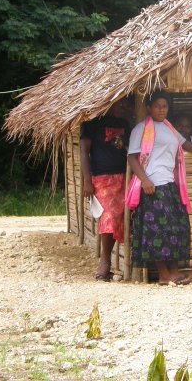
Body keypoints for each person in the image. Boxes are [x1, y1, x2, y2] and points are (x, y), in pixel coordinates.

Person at [127, 90, 192, 286]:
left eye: (165, 106)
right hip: (153, 185)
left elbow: (185, 143)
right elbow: (132, 157)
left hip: (169, 184)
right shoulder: (141, 129)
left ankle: (174, 271)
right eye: (157, 106)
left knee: (175, 228)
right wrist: (145, 180)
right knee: (158, 231)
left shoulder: (169, 128)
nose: (162, 110)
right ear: (149, 108)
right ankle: (164, 274)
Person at [80, 97, 132, 281]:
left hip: (122, 176)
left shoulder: (125, 124)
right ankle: (105, 260)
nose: (124, 108)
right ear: (110, 103)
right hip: (101, 177)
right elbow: (84, 152)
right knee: (108, 217)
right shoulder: (92, 124)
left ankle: (110, 261)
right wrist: (87, 180)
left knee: (119, 218)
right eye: (121, 104)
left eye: (127, 105)